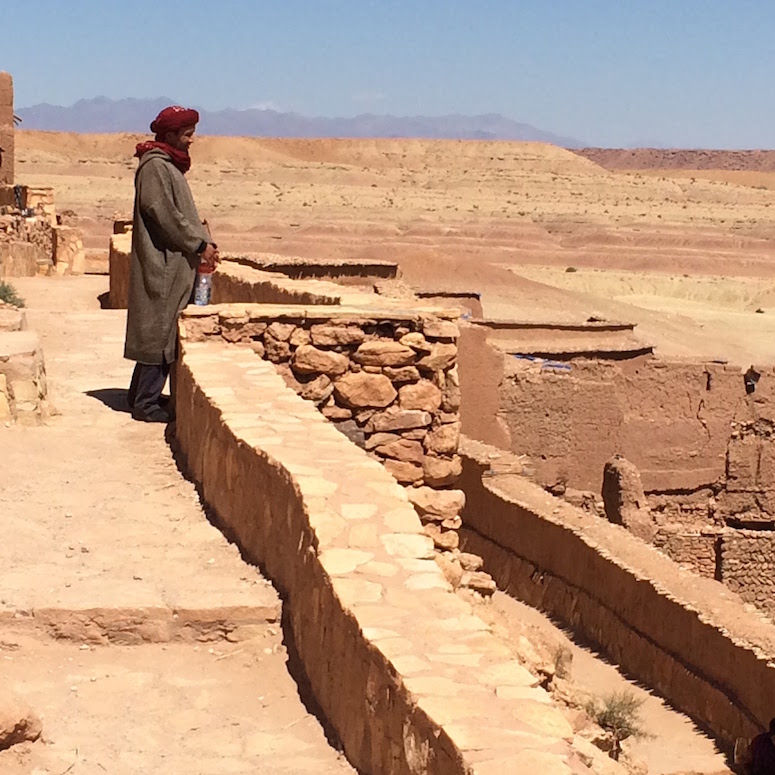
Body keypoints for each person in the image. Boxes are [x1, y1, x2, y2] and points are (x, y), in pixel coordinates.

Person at [124, 105, 219, 422]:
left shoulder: (167, 166)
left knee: (160, 331)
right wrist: (197, 243)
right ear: (171, 134)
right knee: (160, 332)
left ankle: (139, 394)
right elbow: (163, 214)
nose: (192, 140)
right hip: (162, 265)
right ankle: (146, 404)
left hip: (173, 264)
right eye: (187, 134)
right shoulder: (155, 167)